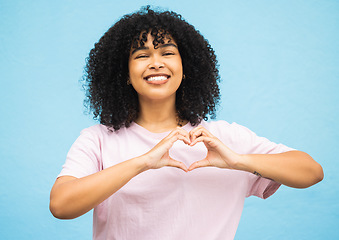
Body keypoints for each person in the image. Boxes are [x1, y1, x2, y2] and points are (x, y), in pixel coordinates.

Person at [50, 6, 323, 240]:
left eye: (167, 53)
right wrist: (143, 162)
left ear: (186, 67)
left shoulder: (223, 137)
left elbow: (311, 172)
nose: (156, 63)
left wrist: (238, 161)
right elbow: (61, 205)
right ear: (124, 73)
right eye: (142, 55)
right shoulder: (98, 139)